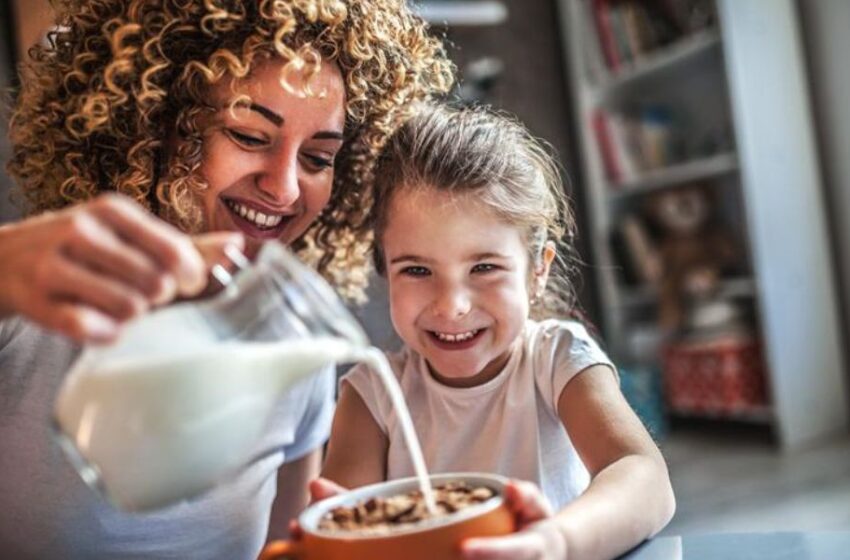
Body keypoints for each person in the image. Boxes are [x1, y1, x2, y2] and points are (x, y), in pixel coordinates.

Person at [0, 1, 453, 558]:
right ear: (155, 123)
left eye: (316, 158)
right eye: (249, 136)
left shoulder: (295, 345)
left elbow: (282, 548)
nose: (285, 190)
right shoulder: (32, 294)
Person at [319, 104, 676, 559]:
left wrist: (555, 541)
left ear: (537, 271)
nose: (452, 305)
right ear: (384, 270)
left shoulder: (557, 360)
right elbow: (345, 525)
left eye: (484, 267)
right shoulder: (372, 393)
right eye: (416, 270)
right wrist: (334, 542)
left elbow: (643, 475)